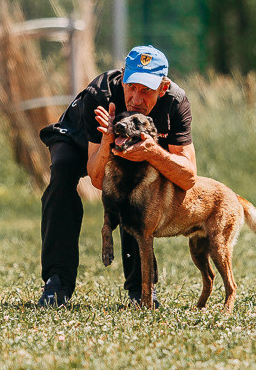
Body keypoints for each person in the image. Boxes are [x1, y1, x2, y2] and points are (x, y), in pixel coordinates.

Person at [36, 45, 197, 307]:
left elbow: (188, 178)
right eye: (131, 86)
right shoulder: (99, 95)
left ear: (163, 88)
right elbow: (98, 181)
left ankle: (141, 289)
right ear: (123, 78)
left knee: (136, 190)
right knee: (61, 179)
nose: (136, 97)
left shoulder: (175, 102)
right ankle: (57, 283)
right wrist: (107, 140)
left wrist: (153, 154)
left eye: (146, 90)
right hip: (79, 138)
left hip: (133, 141)